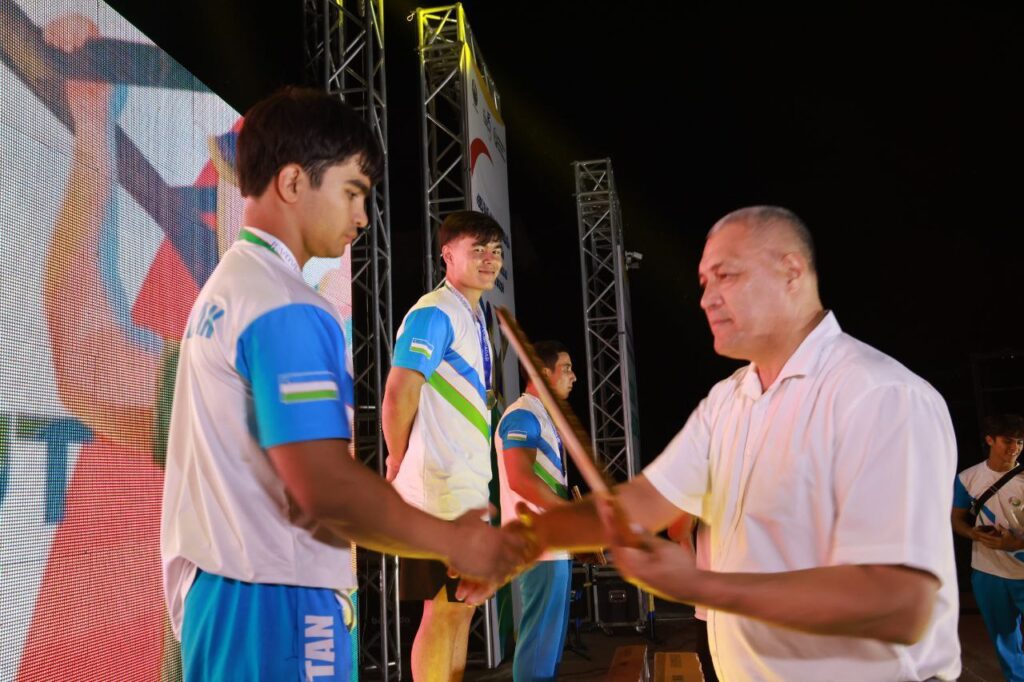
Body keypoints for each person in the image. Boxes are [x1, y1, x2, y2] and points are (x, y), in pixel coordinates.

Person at [500, 206, 961, 681]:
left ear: (791, 271)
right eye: (704, 283)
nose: (706, 299)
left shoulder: (880, 396)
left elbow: (899, 604)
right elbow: (641, 503)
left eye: (726, 276)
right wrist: (517, 541)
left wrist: (701, 584)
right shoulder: (728, 399)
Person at [160, 89, 527, 681]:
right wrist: (453, 540)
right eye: (352, 192)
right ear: (292, 182)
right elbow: (326, 485)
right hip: (278, 599)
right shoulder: (287, 305)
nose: (361, 216)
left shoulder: (232, 286)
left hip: (231, 596)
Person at [383, 209, 505, 681]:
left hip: (465, 489)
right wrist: (397, 460)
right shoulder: (434, 311)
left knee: (462, 609)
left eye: (495, 251)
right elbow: (399, 393)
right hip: (435, 491)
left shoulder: (474, 317)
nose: (489, 259)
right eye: (478, 249)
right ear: (447, 254)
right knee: (441, 609)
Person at [496, 340, 576, 682]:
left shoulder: (542, 416)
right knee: (538, 649)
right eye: (566, 369)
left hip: (553, 547)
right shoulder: (522, 415)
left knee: (548, 653)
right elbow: (520, 479)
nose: (573, 377)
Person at [952, 413, 1024, 681]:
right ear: (990, 440)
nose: (1014, 448)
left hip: (1022, 569)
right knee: (1003, 636)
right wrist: (972, 533)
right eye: (1008, 440)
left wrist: (1015, 543)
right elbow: (956, 519)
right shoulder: (967, 478)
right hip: (987, 571)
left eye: (1020, 442)